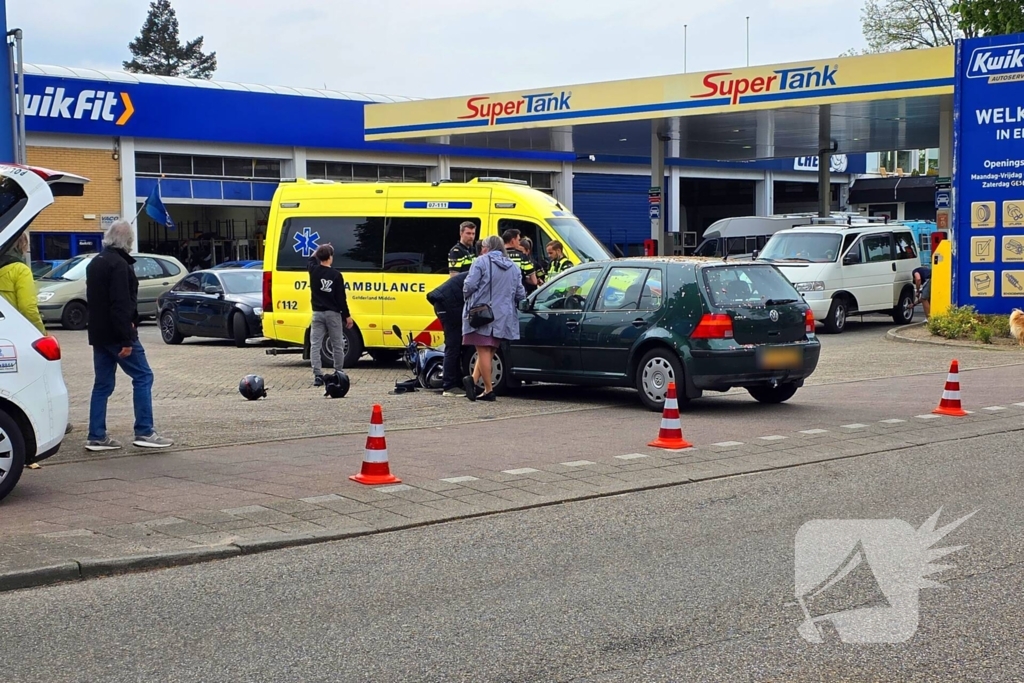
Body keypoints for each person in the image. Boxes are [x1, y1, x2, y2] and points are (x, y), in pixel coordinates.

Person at [85, 220, 172, 451]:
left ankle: (96, 435)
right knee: (143, 376)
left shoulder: (96, 262)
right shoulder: (120, 265)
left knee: (102, 384)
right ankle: (144, 430)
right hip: (118, 334)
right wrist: (127, 339)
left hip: (99, 334)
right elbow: (121, 304)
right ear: (128, 241)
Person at [462, 235, 526, 402]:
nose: (482, 249)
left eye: (483, 246)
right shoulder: (514, 266)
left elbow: (469, 285)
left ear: (488, 247)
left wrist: (467, 297)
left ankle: (489, 390)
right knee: (489, 350)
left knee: (482, 349)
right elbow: (521, 293)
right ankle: (473, 381)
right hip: (504, 315)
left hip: (483, 312)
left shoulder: (481, 261)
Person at [309, 243, 353, 386]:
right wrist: (347, 315)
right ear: (330, 257)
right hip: (333, 314)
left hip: (317, 313)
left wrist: (319, 249)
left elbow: (310, 260)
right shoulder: (336, 275)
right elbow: (341, 298)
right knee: (337, 344)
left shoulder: (313, 271)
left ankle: (317, 375)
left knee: (315, 345)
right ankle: (338, 372)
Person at [426, 270, 469, 397]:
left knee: (457, 344)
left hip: (445, 301)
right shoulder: (483, 272)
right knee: (453, 344)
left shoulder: (480, 269)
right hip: (446, 303)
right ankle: (449, 386)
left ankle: (455, 381)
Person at [0, 232, 45, 335]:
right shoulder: (20, 270)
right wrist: (40, 332)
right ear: (22, 245)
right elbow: (28, 308)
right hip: (12, 331)